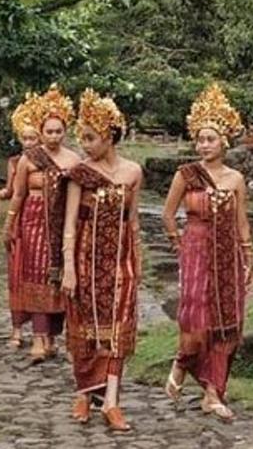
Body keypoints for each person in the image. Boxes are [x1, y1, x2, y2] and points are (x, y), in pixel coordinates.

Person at [161, 83, 253, 422]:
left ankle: (213, 393)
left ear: (224, 141)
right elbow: (168, 214)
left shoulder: (236, 179)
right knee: (196, 320)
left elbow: (242, 221)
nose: (203, 145)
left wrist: (248, 257)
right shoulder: (186, 175)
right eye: (199, 139)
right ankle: (183, 360)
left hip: (228, 254)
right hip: (197, 250)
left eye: (210, 139)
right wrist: (177, 242)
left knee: (226, 324)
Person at [62, 89, 142, 433]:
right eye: (83, 138)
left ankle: (111, 401)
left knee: (118, 328)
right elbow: (69, 224)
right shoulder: (80, 173)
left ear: (109, 136)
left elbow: (133, 221)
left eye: (91, 138)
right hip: (85, 259)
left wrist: (137, 263)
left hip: (120, 261)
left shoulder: (133, 172)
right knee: (84, 327)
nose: (86, 145)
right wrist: (68, 266)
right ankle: (84, 391)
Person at [5, 85, 80, 362]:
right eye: (48, 131)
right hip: (34, 220)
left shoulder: (73, 160)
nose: (53, 136)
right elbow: (19, 194)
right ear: (40, 132)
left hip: (62, 221)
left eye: (58, 131)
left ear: (65, 131)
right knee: (36, 275)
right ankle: (38, 338)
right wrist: (11, 224)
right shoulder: (29, 159)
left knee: (59, 276)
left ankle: (52, 336)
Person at [4, 95, 42, 350]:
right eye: (24, 138)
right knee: (18, 273)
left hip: (47, 221)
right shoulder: (16, 163)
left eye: (33, 138)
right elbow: (12, 192)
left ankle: (44, 332)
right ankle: (17, 329)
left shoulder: (52, 159)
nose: (28, 143)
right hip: (26, 219)